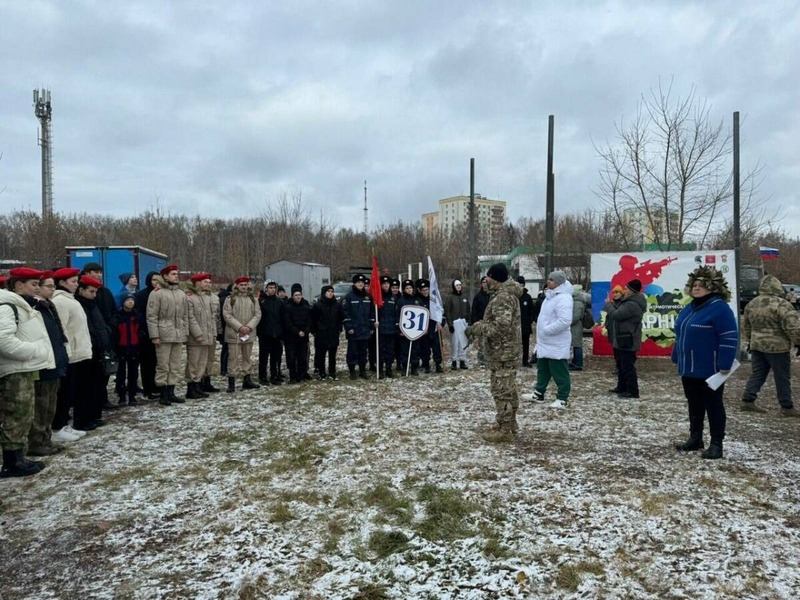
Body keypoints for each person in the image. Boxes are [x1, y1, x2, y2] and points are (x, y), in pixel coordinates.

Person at [672, 266, 738, 459]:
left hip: (710, 369)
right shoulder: (690, 307)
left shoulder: (720, 308)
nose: (697, 288)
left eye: (702, 285)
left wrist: (725, 362)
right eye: (695, 284)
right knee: (694, 404)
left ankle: (717, 443)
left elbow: (729, 336)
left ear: (714, 287)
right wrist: (677, 354)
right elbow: (681, 333)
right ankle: (695, 438)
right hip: (689, 367)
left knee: (713, 405)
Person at [0, 267, 54, 477]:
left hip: (22, 369)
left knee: (24, 414)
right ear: (18, 285)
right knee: (17, 414)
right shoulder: (7, 307)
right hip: (14, 370)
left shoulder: (20, 305)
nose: (36, 289)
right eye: (33, 284)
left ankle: (18, 457)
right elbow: (4, 340)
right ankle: (12, 462)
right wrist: (34, 351)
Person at [465, 263, 522, 443]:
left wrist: (479, 327)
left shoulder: (502, 298)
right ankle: (508, 424)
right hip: (505, 351)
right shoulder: (503, 295)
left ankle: (505, 430)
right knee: (508, 388)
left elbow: (501, 328)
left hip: (503, 352)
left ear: (494, 279)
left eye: (488, 277)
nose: (486, 280)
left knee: (502, 390)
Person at [740, 274, 800, 417]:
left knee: (758, 373)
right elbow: (792, 327)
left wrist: (750, 341)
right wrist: (798, 342)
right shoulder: (782, 304)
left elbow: (746, 326)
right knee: (782, 376)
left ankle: (748, 400)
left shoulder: (752, 304)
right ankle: (787, 406)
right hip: (777, 347)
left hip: (757, 345)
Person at [27, 271, 70, 456]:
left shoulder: (48, 306)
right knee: (41, 405)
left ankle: (46, 438)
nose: (53, 289)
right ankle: (36, 442)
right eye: (49, 286)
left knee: (50, 404)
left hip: (55, 361)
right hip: (43, 363)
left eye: (53, 286)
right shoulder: (34, 308)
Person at [50, 268, 91, 443]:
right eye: (73, 281)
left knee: (71, 391)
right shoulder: (60, 301)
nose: (77, 284)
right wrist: (67, 350)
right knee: (64, 392)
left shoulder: (71, 300)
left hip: (78, 353)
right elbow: (62, 329)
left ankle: (65, 423)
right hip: (70, 354)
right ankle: (57, 427)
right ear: (62, 283)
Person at [74, 275, 114, 429]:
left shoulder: (93, 304)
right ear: (81, 290)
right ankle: (83, 419)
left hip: (99, 351)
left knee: (97, 386)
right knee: (85, 388)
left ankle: (94, 415)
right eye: (91, 291)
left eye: (95, 292)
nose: (94, 295)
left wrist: (107, 334)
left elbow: (100, 324)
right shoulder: (80, 305)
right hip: (87, 351)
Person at [530, 270, 574, 409]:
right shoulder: (550, 296)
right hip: (545, 342)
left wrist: (547, 330)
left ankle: (562, 398)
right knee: (543, 368)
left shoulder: (564, 298)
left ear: (559, 283)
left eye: (552, 280)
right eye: (548, 279)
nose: (548, 282)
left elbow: (565, 321)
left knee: (559, 371)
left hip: (556, 342)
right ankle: (539, 392)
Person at [146, 264, 189, 405]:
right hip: (163, 333)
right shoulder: (157, 293)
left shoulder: (181, 293)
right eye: (173, 274)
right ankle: (163, 393)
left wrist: (185, 333)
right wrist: (155, 335)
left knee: (175, 365)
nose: (176, 276)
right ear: (165, 276)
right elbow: (151, 316)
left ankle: (171, 392)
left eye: (177, 274)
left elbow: (185, 315)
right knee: (163, 365)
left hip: (177, 333)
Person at [605, 279, 646, 398]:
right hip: (622, 338)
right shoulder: (628, 301)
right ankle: (622, 387)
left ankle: (632, 391)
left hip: (628, 339)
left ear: (632, 291)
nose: (624, 290)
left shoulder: (632, 304)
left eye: (627, 288)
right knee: (621, 364)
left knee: (627, 366)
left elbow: (616, 315)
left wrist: (608, 305)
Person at [222, 276, 261, 392]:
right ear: (237, 286)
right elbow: (227, 315)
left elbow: (257, 314)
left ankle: (246, 379)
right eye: (241, 285)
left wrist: (249, 327)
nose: (244, 287)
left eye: (245, 285)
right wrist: (239, 327)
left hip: (249, 333)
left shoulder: (253, 299)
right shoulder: (230, 299)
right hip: (234, 334)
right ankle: (231, 382)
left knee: (247, 357)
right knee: (232, 358)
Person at [184, 273, 216, 400]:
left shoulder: (207, 298)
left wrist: (211, 334)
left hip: (206, 336)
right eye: (205, 282)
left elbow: (210, 319)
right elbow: (190, 318)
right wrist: (198, 334)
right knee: (193, 363)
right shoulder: (190, 298)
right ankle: (191, 388)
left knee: (202, 363)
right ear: (197, 283)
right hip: (195, 338)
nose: (208, 284)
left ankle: (197, 386)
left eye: (209, 282)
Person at [134, 271, 160, 399]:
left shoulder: (162, 294)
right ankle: (148, 388)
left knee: (158, 362)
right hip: (145, 334)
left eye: (158, 280)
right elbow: (138, 314)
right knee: (147, 363)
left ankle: (157, 385)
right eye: (154, 279)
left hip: (160, 332)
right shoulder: (141, 295)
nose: (156, 282)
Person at [343, 274, 374, 380]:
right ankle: (352, 371)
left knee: (363, 352)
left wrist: (371, 327)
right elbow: (345, 314)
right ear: (354, 284)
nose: (361, 284)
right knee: (352, 352)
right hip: (354, 330)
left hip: (365, 330)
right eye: (358, 283)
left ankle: (362, 370)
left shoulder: (368, 297)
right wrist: (349, 327)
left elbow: (371, 313)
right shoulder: (349, 297)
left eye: (362, 283)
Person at [311, 284, 344, 380]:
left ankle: (332, 371)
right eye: (328, 291)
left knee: (332, 354)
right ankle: (321, 372)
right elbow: (313, 319)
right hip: (321, 333)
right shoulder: (317, 305)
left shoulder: (337, 304)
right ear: (324, 293)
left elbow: (340, 318)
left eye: (332, 291)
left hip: (333, 332)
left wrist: (339, 328)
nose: (330, 293)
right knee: (321, 354)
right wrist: (314, 331)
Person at [283, 283, 312, 383]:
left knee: (302, 357)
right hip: (291, 337)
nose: (298, 297)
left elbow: (309, 320)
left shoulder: (306, 304)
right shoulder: (287, 306)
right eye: (296, 295)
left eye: (299, 294)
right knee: (291, 357)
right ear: (292, 296)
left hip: (303, 336)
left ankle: (301, 374)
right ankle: (292, 376)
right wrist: (297, 331)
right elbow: (287, 322)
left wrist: (305, 331)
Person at [257, 281, 285, 385]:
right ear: (266, 289)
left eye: (274, 288)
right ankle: (262, 376)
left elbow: (283, 317)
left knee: (276, 356)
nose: (272, 289)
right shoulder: (261, 301)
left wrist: (282, 332)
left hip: (277, 333)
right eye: (270, 287)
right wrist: (260, 332)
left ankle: (275, 375)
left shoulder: (279, 302)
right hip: (265, 333)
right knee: (263, 357)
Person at [115, 293, 141, 406]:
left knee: (133, 373)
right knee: (120, 373)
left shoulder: (137, 315)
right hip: (121, 348)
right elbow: (114, 332)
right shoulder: (117, 316)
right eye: (128, 300)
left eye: (132, 300)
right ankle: (121, 396)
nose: (130, 302)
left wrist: (140, 338)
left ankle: (132, 396)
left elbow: (141, 330)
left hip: (134, 347)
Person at [416, 279, 444, 373]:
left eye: (427, 289)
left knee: (437, 347)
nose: (425, 292)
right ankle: (426, 364)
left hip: (435, 327)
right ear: (420, 290)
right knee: (425, 348)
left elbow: (441, 312)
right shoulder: (418, 301)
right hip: (424, 328)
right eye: (423, 290)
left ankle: (438, 364)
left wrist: (441, 323)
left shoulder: (435, 299)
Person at [445, 278, 471, 370]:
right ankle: (454, 361)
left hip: (464, 322)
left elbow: (468, 309)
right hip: (455, 322)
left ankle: (462, 360)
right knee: (455, 342)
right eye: (457, 285)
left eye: (460, 285)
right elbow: (447, 311)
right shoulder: (450, 297)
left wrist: (468, 321)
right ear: (454, 287)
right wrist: (450, 324)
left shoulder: (464, 297)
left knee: (463, 342)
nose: (459, 287)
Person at [397, 279, 421, 376]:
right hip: (404, 331)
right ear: (403, 290)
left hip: (415, 330)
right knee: (405, 350)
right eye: (407, 288)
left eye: (410, 288)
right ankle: (405, 367)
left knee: (415, 350)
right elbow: (397, 316)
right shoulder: (401, 301)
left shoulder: (417, 300)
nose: (409, 290)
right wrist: (399, 330)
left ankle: (414, 368)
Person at [569, 284, 592, 371]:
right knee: (576, 344)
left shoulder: (577, 302)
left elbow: (576, 316)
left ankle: (578, 363)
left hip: (576, 326)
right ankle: (575, 361)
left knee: (577, 345)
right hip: (576, 325)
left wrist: (568, 322)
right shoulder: (578, 301)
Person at [471, 277, 490, 366]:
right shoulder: (478, 296)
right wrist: (475, 322)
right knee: (482, 342)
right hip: (481, 321)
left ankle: (489, 359)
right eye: (483, 282)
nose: (485, 284)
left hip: (491, 322)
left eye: (486, 282)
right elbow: (474, 310)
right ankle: (481, 359)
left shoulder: (492, 295)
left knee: (490, 342)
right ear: (481, 284)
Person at [517, 276, 535, 367]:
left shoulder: (528, 297)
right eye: (519, 285)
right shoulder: (513, 297)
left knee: (526, 344)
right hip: (515, 326)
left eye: (522, 285)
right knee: (514, 344)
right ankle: (514, 360)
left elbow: (532, 310)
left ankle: (525, 360)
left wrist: (529, 320)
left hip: (525, 325)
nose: (520, 287)